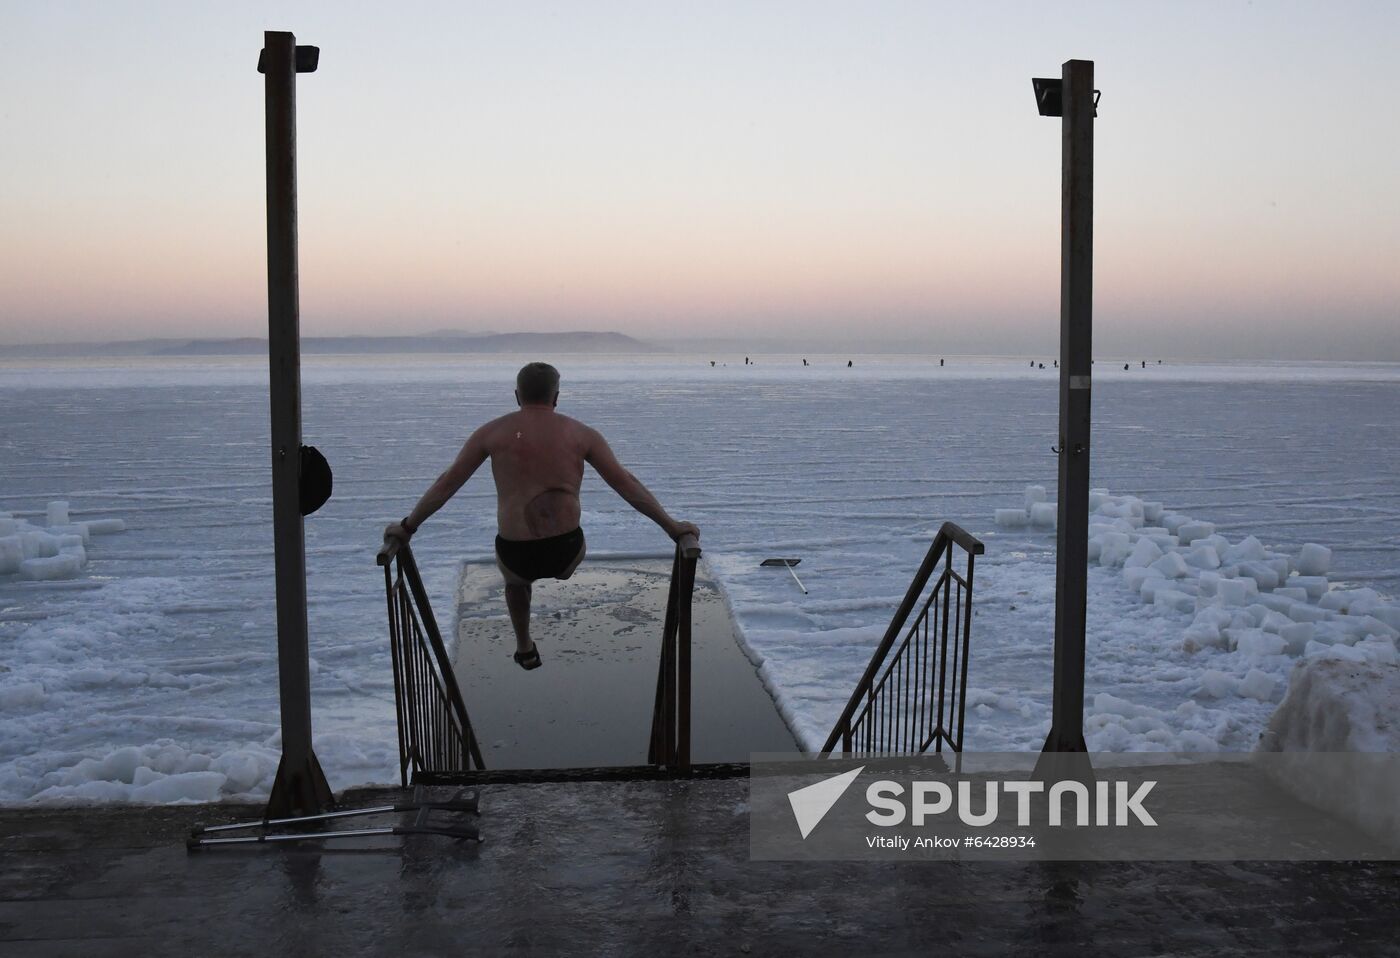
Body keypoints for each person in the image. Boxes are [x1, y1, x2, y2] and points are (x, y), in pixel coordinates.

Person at [384, 362, 700, 671]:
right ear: (556, 397)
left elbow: (447, 483)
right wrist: (672, 527)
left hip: (516, 555)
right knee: (559, 539)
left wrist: (408, 526)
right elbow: (625, 484)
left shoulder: (491, 433)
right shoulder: (582, 434)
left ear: (517, 395)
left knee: (515, 583)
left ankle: (524, 646)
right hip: (567, 551)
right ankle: (545, 593)